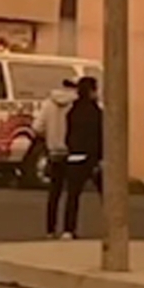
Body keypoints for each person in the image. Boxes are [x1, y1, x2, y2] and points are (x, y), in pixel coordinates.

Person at [58, 76, 104, 239]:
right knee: (107, 194)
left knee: (72, 195)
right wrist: (100, 158)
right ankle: (112, 227)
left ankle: (68, 229)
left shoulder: (72, 111)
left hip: (74, 157)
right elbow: (99, 136)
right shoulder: (96, 112)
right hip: (92, 158)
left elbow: (69, 135)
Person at [33, 80, 76, 238]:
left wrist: (50, 137)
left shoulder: (48, 104)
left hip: (54, 152)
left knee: (54, 193)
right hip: (71, 152)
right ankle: (68, 229)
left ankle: (50, 229)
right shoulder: (76, 104)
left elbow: (37, 127)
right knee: (72, 193)